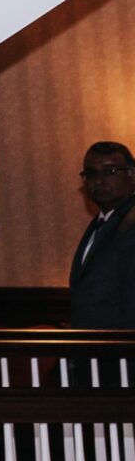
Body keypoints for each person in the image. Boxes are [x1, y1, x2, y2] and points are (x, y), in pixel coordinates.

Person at [70, 140, 135, 328]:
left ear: (132, 175)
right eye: (91, 173)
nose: (98, 180)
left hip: (120, 352)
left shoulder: (131, 223)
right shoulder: (101, 223)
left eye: (110, 171)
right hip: (91, 351)